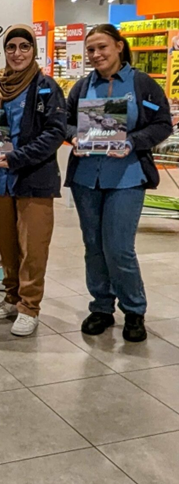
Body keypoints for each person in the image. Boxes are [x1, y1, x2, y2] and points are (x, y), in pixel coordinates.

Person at [65, 24, 172, 343]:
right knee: (93, 246)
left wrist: (133, 141)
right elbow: (64, 122)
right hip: (86, 179)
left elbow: (162, 124)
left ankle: (134, 310)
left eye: (102, 47)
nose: (96, 54)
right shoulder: (82, 87)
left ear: (119, 46)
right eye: (91, 50)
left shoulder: (142, 85)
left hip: (127, 177)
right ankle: (101, 307)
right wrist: (73, 137)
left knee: (119, 248)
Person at [0, 25, 67, 337]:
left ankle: (29, 306)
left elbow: (55, 133)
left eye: (24, 47)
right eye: (11, 47)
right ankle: (11, 296)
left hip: (33, 178)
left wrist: (17, 157)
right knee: (6, 245)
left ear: (33, 50)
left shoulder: (46, 86)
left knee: (33, 247)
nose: (17, 53)